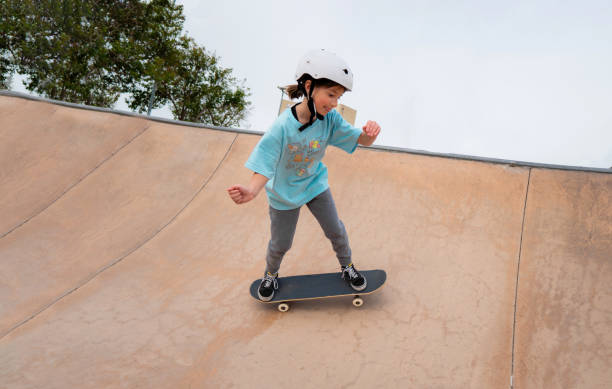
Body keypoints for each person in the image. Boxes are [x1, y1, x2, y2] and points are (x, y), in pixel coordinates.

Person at [227, 49, 381, 301]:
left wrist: (370, 136)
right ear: (309, 86)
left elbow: (359, 139)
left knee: (336, 230)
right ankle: (271, 274)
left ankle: (347, 267)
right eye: (330, 95)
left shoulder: (330, 119)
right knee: (281, 244)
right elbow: (265, 162)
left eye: (338, 97)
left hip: (315, 185)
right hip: (283, 193)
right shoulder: (281, 127)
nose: (334, 104)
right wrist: (251, 191)